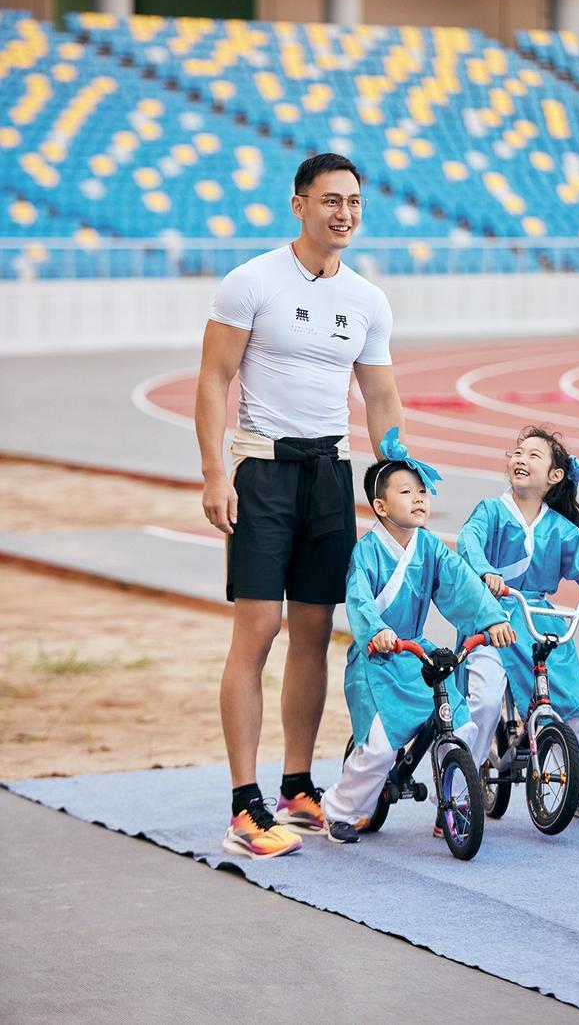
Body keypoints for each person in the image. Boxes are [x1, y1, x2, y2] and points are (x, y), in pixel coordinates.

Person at [195, 153, 404, 858]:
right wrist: (214, 473)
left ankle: (296, 787)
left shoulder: (368, 299)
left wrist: (396, 470)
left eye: (354, 202)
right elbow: (213, 379)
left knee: (314, 633)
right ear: (300, 205)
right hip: (262, 470)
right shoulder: (251, 282)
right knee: (257, 630)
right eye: (330, 200)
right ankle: (243, 804)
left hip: (330, 476)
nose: (344, 213)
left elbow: (380, 395)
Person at [320, 429, 515, 842]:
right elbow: (359, 599)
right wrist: (378, 632)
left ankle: (454, 806)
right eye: (406, 492)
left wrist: (491, 619)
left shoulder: (431, 548)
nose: (419, 499)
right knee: (380, 747)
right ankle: (340, 811)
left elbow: (462, 584)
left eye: (422, 491)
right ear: (380, 506)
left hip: (416, 654)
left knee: (461, 727)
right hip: (378, 660)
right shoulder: (367, 551)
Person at [456, 426, 579, 824]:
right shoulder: (490, 511)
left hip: (537, 619)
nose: (521, 459)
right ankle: (461, 790)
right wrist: (486, 573)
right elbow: (468, 541)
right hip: (492, 618)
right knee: (484, 702)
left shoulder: (559, 528)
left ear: (555, 476)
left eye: (533, 455)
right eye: (518, 452)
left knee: (576, 707)